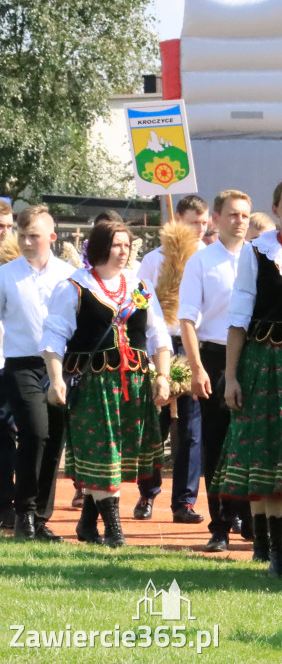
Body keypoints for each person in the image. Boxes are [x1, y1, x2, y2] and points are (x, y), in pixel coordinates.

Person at [212, 178, 282, 578]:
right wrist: (230, 378)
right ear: (275, 210)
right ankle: (274, 553)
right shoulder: (257, 252)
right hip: (264, 364)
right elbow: (239, 319)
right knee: (269, 451)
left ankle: (281, 546)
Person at [42, 220, 172, 547]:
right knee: (103, 454)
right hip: (93, 386)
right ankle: (114, 531)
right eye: (116, 245)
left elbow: (157, 334)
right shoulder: (74, 286)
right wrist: (56, 378)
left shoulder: (139, 287)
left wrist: (163, 375)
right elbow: (54, 336)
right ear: (99, 247)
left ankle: (87, 524)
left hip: (134, 384)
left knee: (118, 453)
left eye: (127, 245)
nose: (123, 251)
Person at [177, 190, 253, 553]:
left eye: (245, 215)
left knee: (252, 441)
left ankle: (252, 520)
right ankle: (220, 525)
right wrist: (196, 368)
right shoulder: (201, 262)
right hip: (214, 356)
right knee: (217, 443)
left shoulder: (258, 258)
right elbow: (188, 319)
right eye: (233, 215)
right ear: (217, 219)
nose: (240, 221)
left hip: (254, 358)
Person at [133, 195, 209, 525]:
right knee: (157, 424)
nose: (200, 228)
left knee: (191, 428)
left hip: (192, 346)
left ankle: (185, 502)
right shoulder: (153, 260)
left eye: (205, 222)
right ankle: (147, 492)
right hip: (160, 348)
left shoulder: (207, 258)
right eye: (194, 221)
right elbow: (140, 303)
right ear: (178, 219)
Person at [0, 206, 74, 541]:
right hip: (20, 364)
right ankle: (24, 514)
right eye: (23, 235)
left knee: (54, 437)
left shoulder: (69, 275)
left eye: (35, 236)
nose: (27, 242)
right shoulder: (5, 275)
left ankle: (41, 517)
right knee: (35, 432)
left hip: (59, 366)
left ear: (52, 238)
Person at [0, 198, 17, 530]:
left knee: (4, 433)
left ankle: (6, 504)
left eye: (6, 226)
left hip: (8, 360)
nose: (3, 232)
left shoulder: (18, 265)